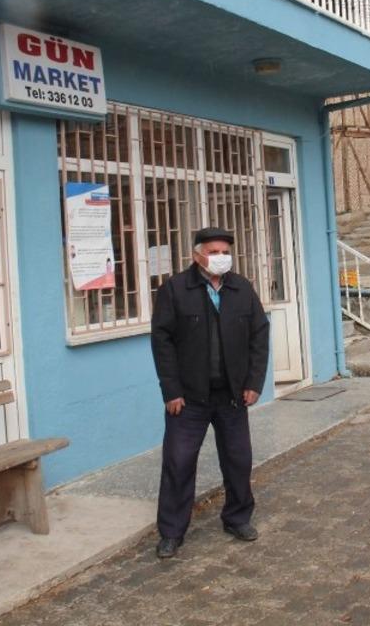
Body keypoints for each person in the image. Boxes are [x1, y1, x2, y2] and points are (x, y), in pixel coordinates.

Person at [150, 226, 269, 559]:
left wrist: (253, 383)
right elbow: (162, 343)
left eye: (224, 251)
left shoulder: (241, 288)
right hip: (188, 399)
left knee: (238, 460)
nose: (220, 257)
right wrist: (171, 390)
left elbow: (259, 336)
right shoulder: (175, 289)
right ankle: (172, 532)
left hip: (232, 396)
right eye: (213, 252)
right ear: (196, 255)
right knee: (178, 461)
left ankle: (237, 518)